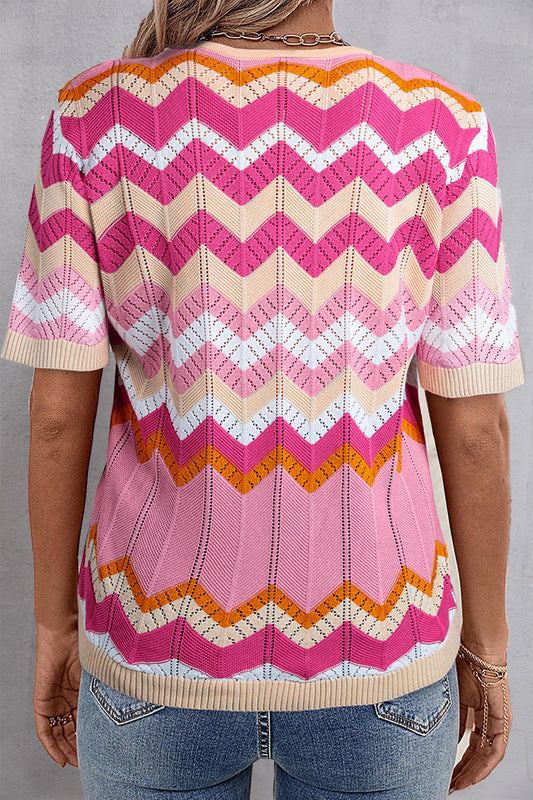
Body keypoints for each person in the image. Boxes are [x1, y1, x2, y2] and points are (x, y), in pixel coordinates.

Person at [1, 0, 524, 797]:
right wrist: (486, 653)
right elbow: (477, 430)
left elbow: (54, 418)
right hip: (381, 650)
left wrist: (52, 627)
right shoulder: (441, 123)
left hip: (153, 648)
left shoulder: (93, 116)